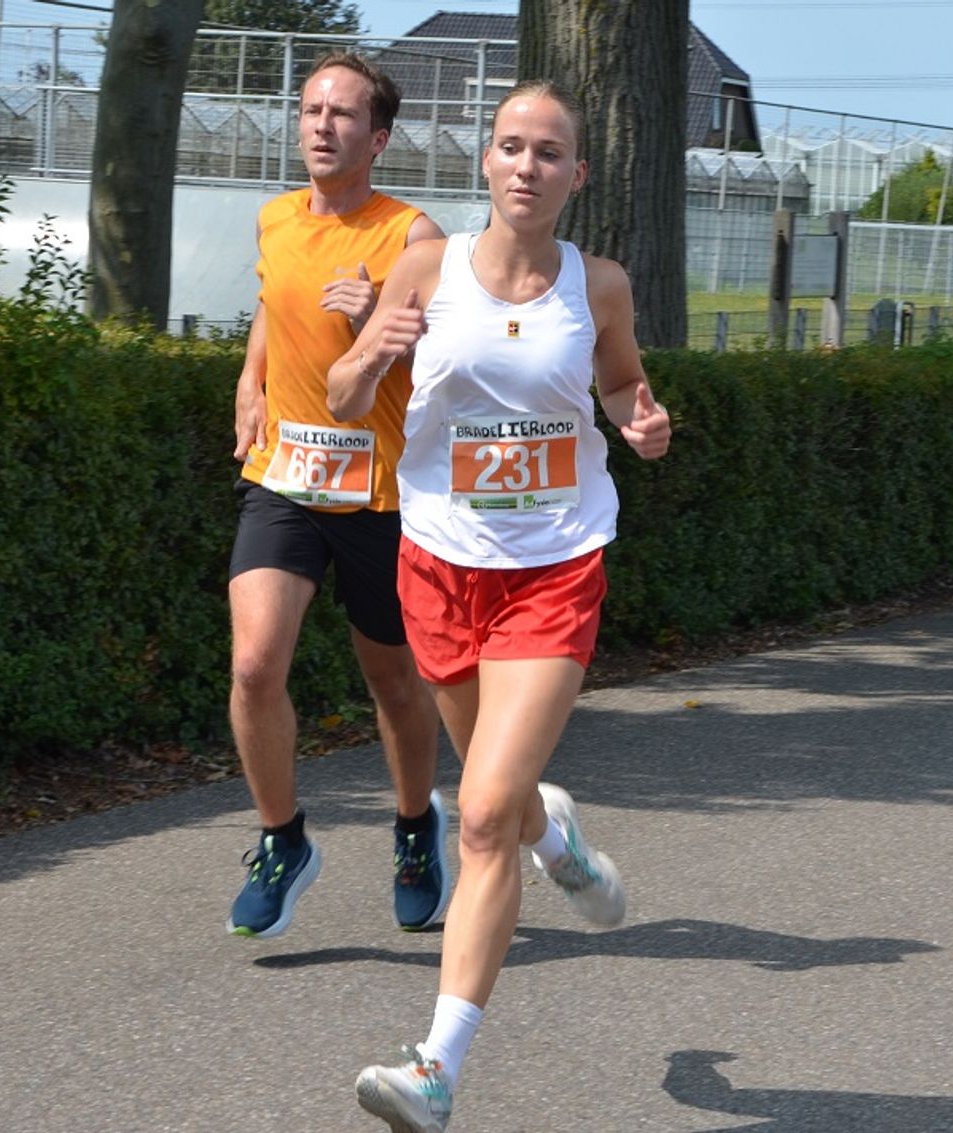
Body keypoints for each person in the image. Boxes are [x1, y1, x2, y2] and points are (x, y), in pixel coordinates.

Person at [325, 79, 673, 1132]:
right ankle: (558, 841)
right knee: (506, 800)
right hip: (439, 564)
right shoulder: (426, 268)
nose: (527, 165)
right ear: (487, 161)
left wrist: (642, 421)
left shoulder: (597, 285)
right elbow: (341, 395)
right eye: (511, 146)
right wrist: (373, 348)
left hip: (554, 568)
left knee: (478, 814)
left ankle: (435, 1066)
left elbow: (620, 387)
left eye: (549, 151)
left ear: (576, 175)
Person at [224, 52, 452, 940]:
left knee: (393, 683)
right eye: (312, 110)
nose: (322, 125)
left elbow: (449, 367)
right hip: (284, 476)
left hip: (384, 491)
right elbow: (273, 306)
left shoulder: (413, 238)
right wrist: (251, 378)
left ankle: (413, 829)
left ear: (379, 137)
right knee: (253, 665)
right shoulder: (275, 218)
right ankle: (283, 841)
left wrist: (373, 320)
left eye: (344, 114)